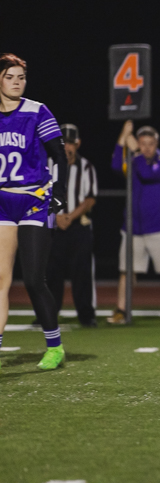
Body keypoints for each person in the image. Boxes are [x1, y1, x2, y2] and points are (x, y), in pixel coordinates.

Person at [0, 53, 69, 370]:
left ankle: (54, 346)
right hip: (2, 201)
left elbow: (59, 154)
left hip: (33, 199)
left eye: (21, 77)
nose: (17, 83)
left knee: (32, 280)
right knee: (0, 280)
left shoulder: (36, 110)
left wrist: (60, 193)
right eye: (10, 77)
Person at [107, 121, 160, 324]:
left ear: (156, 144)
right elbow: (115, 165)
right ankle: (122, 309)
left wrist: (134, 148)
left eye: (150, 143)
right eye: (142, 143)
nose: (146, 147)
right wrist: (123, 136)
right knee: (127, 271)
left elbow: (147, 173)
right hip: (133, 227)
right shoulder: (135, 161)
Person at [42, 124, 98, 327]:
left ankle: (86, 315)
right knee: (51, 274)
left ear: (78, 143)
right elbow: (41, 194)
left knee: (82, 273)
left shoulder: (87, 167)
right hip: (53, 225)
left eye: (71, 142)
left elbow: (90, 199)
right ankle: (48, 315)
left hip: (77, 227)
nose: (67, 147)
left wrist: (69, 217)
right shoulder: (47, 165)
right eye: (63, 142)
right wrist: (56, 216)